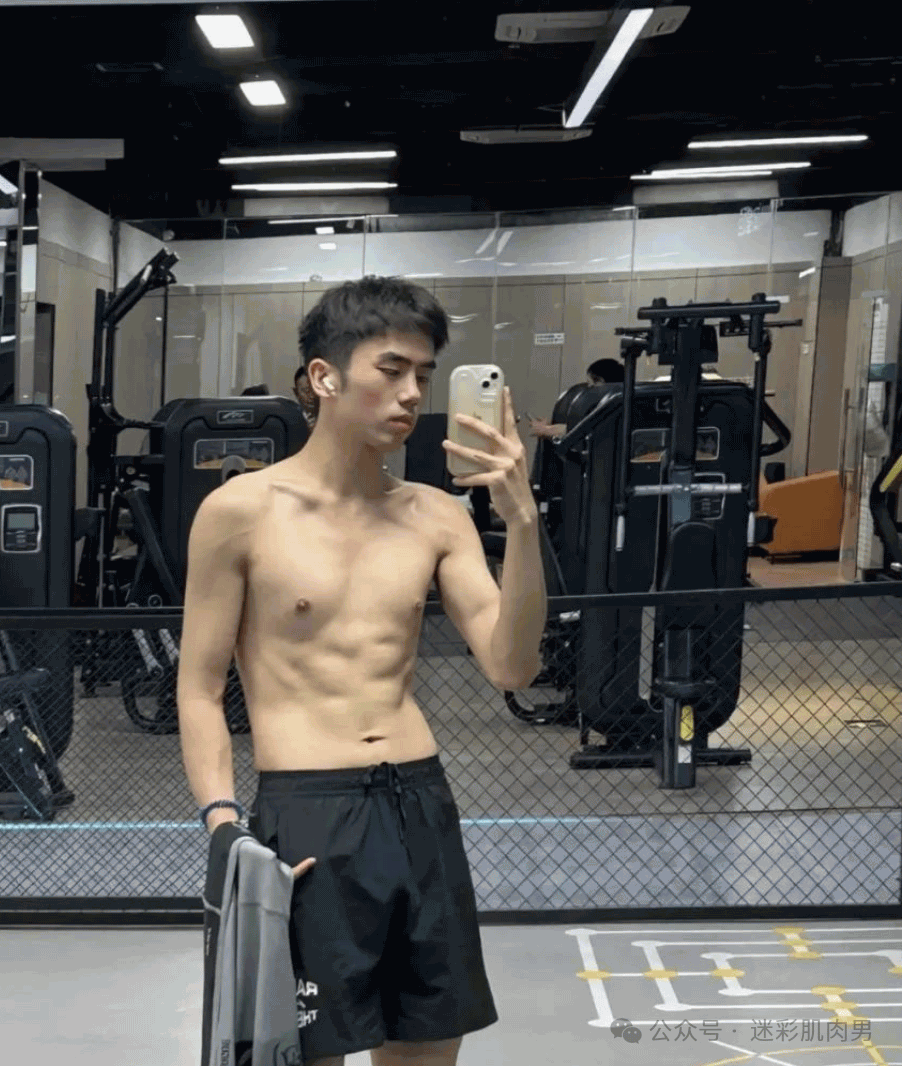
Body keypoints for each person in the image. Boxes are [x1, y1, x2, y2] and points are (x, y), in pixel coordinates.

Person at [177, 275, 547, 1066]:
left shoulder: (435, 515)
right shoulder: (241, 512)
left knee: (427, 1050)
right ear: (325, 376)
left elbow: (513, 666)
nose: (412, 392)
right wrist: (221, 824)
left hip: (419, 805)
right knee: (296, 1053)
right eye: (392, 369)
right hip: (307, 814)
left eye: (424, 374)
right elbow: (200, 688)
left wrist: (522, 521)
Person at [528, 357, 625, 441]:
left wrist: (545, 430)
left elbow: (578, 430)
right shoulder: (623, 402)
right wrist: (548, 426)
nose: (588, 389)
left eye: (591, 384)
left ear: (600, 381)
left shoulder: (611, 407)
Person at [293, 364, 317, 428]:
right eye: (306, 391)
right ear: (296, 393)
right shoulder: (291, 419)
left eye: (314, 391)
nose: (311, 396)